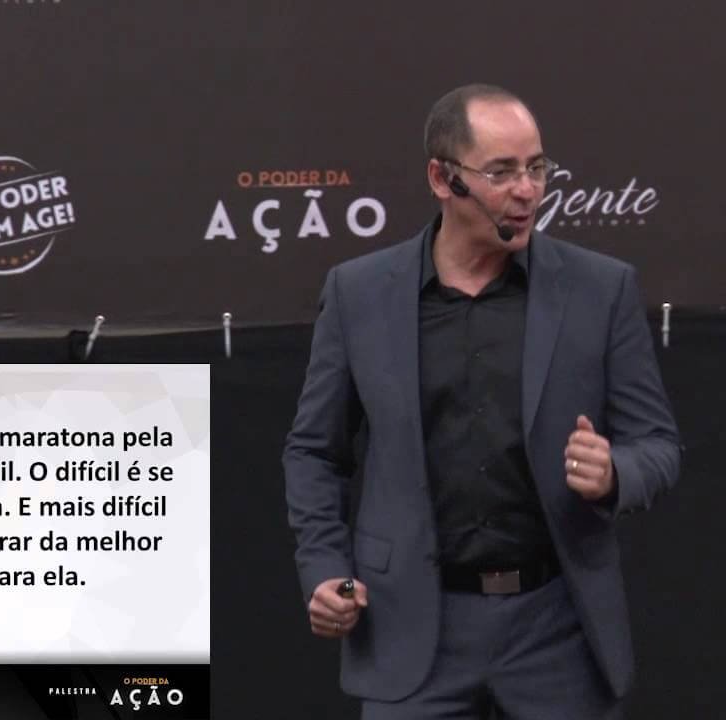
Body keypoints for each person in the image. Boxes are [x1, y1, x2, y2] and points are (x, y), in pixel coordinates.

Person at [283, 83, 681, 719]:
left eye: (537, 168)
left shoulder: (600, 290)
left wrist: (614, 472)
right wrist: (326, 567)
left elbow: (657, 445)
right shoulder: (360, 294)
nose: (527, 191)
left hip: (558, 633)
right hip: (410, 630)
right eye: (501, 172)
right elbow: (315, 452)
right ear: (443, 179)